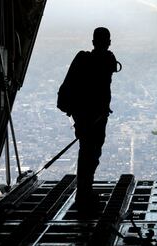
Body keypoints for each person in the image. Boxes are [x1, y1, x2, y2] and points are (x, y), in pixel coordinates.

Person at [58, 27, 121, 209]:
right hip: (95, 117)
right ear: (108, 42)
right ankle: (84, 195)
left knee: (87, 154)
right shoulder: (106, 60)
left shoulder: (83, 59)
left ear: (93, 42)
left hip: (83, 116)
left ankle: (84, 193)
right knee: (90, 155)